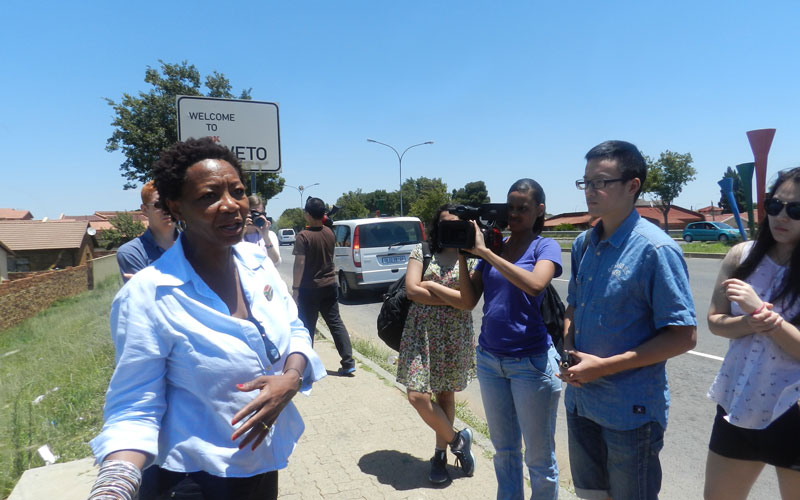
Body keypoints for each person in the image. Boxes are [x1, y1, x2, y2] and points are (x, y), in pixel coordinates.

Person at [88, 137, 325, 500]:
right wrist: (114, 486)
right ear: (176, 207)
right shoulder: (149, 295)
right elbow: (134, 406)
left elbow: (294, 328)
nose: (230, 205)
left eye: (238, 191)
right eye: (208, 196)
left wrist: (290, 379)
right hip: (193, 480)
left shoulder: (256, 262)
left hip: (260, 466)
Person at [559, 140, 697, 500]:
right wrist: (568, 347)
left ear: (633, 186)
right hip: (580, 401)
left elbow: (683, 336)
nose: (590, 191)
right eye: (585, 182)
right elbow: (574, 307)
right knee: (590, 495)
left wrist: (602, 367)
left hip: (629, 413)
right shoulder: (583, 244)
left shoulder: (656, 249)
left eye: (601, 182)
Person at [458, 179, 563, 500]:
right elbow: (467, 300)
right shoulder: (496, 246)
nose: (515, 214)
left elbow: (534, 284)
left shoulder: (544, 247)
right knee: (504, 452)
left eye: (523, 208)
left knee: (539, 459)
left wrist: (487, 254)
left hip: (531, 363)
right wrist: (464, 254)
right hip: (490, 361)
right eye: (511, 208)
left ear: (539, 211)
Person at [704, 167, 800, 500]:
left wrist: (761, 313)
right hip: (740, 399)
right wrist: (749, 323)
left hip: (793, 408)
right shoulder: (741, 256)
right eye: (775, 206)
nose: (781, 216)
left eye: (795, 209)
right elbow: (715, 322)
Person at [396, 204, 479, 484]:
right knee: (417, 396)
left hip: (454, 336)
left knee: (445, 397)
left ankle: (440, 456)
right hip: (422, 333)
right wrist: (453, 298)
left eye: (456, 224)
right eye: (444, 224)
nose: (450, 229)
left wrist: (431, 286)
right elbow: (411, 290)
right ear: (437, 226)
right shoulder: (423, 251)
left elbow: (468, 303)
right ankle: (458, 440)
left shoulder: (470, 257)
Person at [292, 197, 356, 376]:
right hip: (330, 285)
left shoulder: (303, 236)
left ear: (309, 215)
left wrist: (295, 290)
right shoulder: (329, 233)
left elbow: (299, 264)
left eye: (305, 211)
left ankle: (305, 368)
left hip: (308, 288)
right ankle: (348, 362)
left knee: (307, 328)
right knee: (335, 323)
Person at [116, 180, 177, 282]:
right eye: (158, 205)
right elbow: (143, 296)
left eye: (171, 203)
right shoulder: (132, 252)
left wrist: (151, 282)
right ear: (144, 210)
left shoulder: (197, 245)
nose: (167, 209)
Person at [244, 194, 281, 265]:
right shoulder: (235, 236)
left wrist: (265, 237)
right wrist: (241, 232)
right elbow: (228, 260)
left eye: (261, 214)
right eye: (254, 213)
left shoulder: (270, 235)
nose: (256, 216)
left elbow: (276, 262)